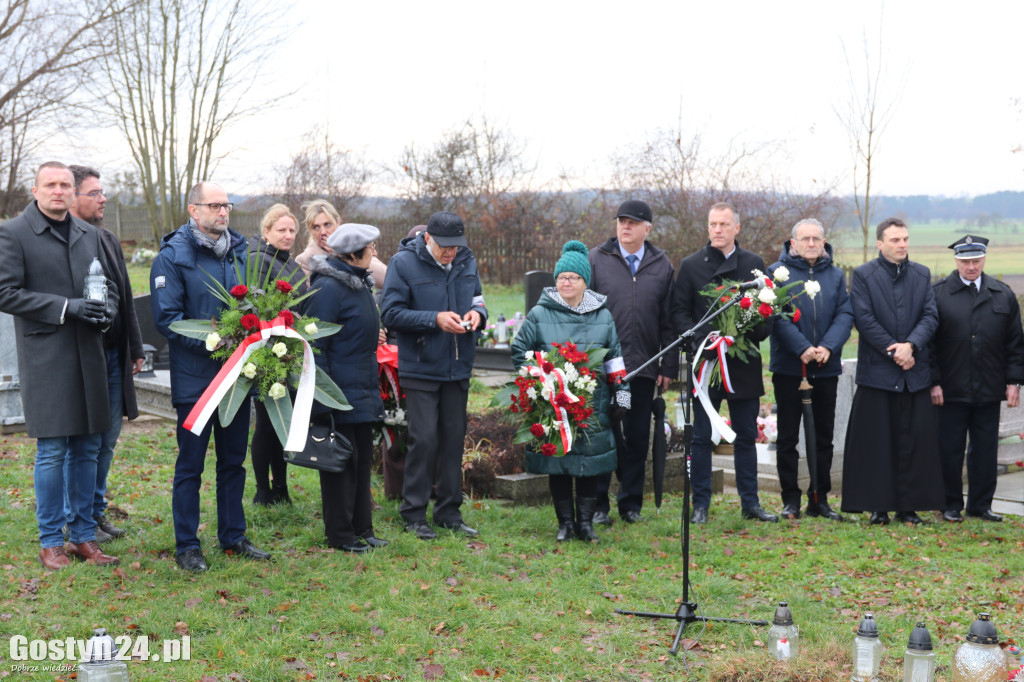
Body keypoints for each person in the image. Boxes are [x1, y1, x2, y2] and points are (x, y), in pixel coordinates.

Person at [0, 161, 120, 569]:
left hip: (89, 352)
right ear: (34, 191)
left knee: (88, 448)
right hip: (47, 355)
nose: (58, 191)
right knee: (52, 452)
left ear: (74, 192)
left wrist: (107, 312)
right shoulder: (14, 233)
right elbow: (6, 293)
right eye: (50, 184)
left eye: (65, 185)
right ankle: (51, 540)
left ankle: (83, 537)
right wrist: (67, 307)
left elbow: (110, 287)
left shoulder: (91, 233)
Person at [150, 181, 271, 571]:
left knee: (233, 463)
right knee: (191, 466)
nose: (223, 212)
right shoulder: (173, 256)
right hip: (196, 380)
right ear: (193, 209)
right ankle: (187, 545)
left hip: (237, 378)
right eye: (215, 205)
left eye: (227, 206)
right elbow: (169, 320)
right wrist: (219, 341)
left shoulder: (239, 253)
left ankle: (233, 536)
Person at [512, 241, 630, 542]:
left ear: (584, 282)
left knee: (588, 462)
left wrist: (623, 395)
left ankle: (586, 524)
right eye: (562, 277)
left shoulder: (602, 315)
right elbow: (519, 350)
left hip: (592, 401)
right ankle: (565, 523)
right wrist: (538, 379)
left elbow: (614, 357)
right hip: (554, 403)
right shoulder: (539, 314)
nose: (567, 282)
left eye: (573, 277)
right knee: (560, 462)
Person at [380, 211, 487, 540]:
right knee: (423, 440)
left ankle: (449, 511)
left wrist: (477, 316)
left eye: (456, 246)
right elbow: (391, 313)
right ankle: (413, 512)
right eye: (444, 246)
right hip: (421, 365)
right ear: (427, 238)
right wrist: (434, 319)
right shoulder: (403, 264)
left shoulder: (467, 260)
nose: (450, 253)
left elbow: (480, 300)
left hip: (458, 366)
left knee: (454, 440)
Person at [670, 201, 778, 524]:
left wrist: (752, 331)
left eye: (723, 224)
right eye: (712, 224)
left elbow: (766, 309)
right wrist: (698, 340)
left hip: (742, 363)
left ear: (736, 228)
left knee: (746, 434)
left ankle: (750, 503)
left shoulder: (754, 264)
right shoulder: (691, 266)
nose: (717, 230)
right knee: (701, 436)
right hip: (706, 363)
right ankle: (700, 504)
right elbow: (678, 312)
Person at [841, 217, 943, 525]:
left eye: (906, 239)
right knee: (878, 443)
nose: (902, 245)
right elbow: (864, 318)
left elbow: (930, 315)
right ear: (880, 244)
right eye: (896, 240)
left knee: (913, 441)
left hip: (914, 373)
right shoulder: (863, 275)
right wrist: (895, 350)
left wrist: (911, 345)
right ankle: (878, 508)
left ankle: (908, 507)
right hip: (878, 374)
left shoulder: (922, 274)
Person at [64, 165, 145, 542]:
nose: (103, 198)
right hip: (81, 357)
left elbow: (125, 296)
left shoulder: (108, 238)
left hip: (114, 356)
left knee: (108, 438)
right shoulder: (64, 239)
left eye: (102, 192)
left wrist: (134, 346)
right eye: (94, 193)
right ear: (72, 197)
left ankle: (95, 514)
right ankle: (73, 517)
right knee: (82, 441)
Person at [588, 200, 677, 525]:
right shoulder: (597, 260)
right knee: (601, 434)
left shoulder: (662, 265)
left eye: (632, 222)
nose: (625, 227)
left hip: (642, 367)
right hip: (604, 368)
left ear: (647, 229)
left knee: (638, 435)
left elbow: (668, 322)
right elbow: (585, 312)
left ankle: (630, 504)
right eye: (621, 221)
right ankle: (598, 505)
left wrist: (668, 366)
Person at [305, 223, 389, 552]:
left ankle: (362, 528)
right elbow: (316, 345)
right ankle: (340, 535)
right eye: (371, 249)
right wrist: (324, 399)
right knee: (340, 464)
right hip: (338, 391)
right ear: (354, 255)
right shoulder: (328, 289)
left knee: (362, 460)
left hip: (362, 384)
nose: (375, 253)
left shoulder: (358, 283)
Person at [930, 235, 1024, 523]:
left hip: (988, 387)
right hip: (950, 388)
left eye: (976, 261)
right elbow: (929, 345)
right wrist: (934, 382)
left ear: (984, 260)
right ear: (956, 261)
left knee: (985, 450)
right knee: (949, 449)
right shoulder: (938, 294)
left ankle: (981, 505)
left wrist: (1013, 382)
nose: (971, 266)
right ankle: (950, 504)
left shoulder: (1003, 294)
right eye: (965, 261)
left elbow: (1015, 344)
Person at [767, 218, 853, 521]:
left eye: (817, 238)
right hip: (791, 367)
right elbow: (776, 316)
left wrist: (827, 347)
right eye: (805, 239)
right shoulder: (776, 275)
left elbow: (845, 313)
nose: (812, 244)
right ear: (793, 243)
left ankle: (820, 498)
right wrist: (802, 347)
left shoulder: (835, 275)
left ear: (824, 241)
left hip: (825, 368)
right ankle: (790, 499)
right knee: (788, 437)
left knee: (823, 437)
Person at [248, 203, 307, 506]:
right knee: (268, 423)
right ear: (266, 231)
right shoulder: (259, 260)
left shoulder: (290, 263)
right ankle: (263, 490)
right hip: (268, 352)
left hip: (290, 350)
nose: (287, 235)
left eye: (292, 230)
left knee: (282, 422)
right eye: (281, 230)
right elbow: (259, 304)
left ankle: (281, 488)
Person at [296, 199, 386, 288]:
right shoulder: (304, 260)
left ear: (338, 223)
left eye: (327, 224)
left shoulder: (354, 245)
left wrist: (343, 253)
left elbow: (385, 278)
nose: (322, 232)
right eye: (316, 227)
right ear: (310, 230)